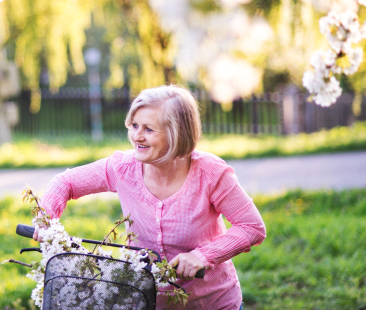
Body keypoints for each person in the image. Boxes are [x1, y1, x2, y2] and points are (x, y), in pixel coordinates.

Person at [36, 85, 266, 310]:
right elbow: (65, 182)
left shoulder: (210, 173)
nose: (137, 136)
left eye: (148, 129)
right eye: (134, 125)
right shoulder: (122, 168)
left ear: (177, 133)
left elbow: (252, 227)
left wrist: (203, 256)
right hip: (144, 300)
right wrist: (47, 219)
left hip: (212, 302)